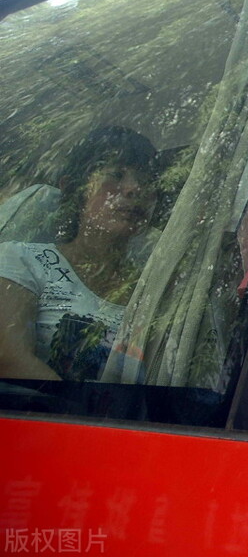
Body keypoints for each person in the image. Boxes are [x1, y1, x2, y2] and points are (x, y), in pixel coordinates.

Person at [0, 126, 159, 379]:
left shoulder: (157, 290)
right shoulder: (20, 260)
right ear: (74, 188)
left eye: (146, 179)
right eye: (116, 174)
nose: (134, 188)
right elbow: (9, 360)